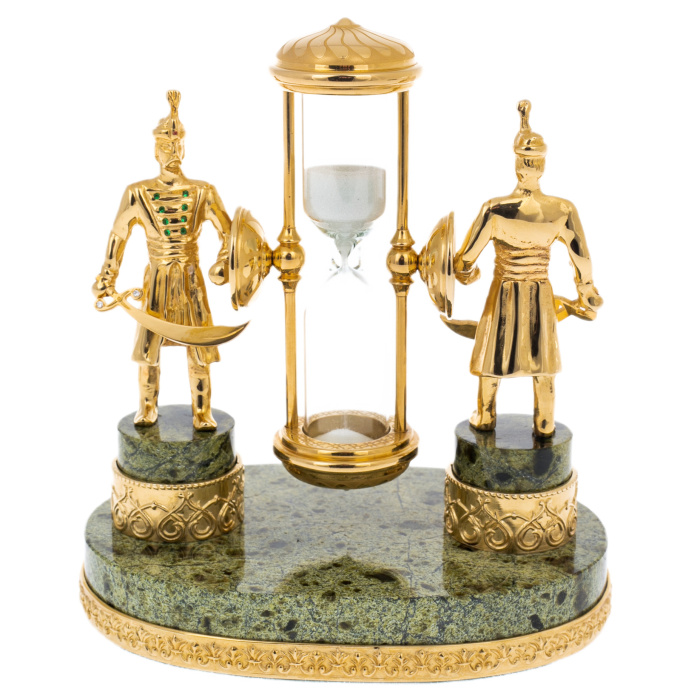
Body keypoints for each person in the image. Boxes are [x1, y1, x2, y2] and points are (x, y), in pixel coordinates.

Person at [455, 100, 603, 437]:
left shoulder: (495, 210)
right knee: (543, 362)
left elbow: (465, 261)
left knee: (492, 357)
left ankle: (485, 414)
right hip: (540, 292)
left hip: (504, 291)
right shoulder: (562, 209)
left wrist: (466, 273)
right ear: (541, 166)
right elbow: (581, 256)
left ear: (517, 166)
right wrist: (587, 291)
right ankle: (545, 421)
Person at [92, 91, 230, 430]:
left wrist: (224, 261)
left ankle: (202, 412)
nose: (173, 153)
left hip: (191, 281)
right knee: (149, 352)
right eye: (167, 146)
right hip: (156, 281)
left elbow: (229, 233)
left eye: (178, 145)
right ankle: (147, 408)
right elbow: (119, 235)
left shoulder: (203, 191)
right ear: (156, 150)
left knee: (199, 349)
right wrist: (107, 276)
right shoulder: (137, 193)